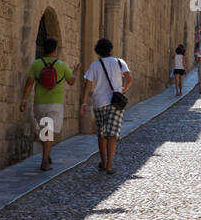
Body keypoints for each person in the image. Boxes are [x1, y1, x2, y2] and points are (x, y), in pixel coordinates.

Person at [19, 37, 74, 171]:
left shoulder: (36, 64)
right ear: (55, 49)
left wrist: (24, 100)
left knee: (45, 130)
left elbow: (29, 83)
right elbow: (71, 81)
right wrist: (75, 72)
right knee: (50, 131)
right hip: (55, 103)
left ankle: (46, 154)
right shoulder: (62, 65)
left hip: (39, 103)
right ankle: (45, 160)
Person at [79, 38, 131, 174]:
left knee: (102, 134)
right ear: (110, 49)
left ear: (98, 51)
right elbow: (129, 78)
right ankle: (109, 165)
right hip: (116, 103)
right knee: (112, 134)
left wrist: (84, 102)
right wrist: (122, 90)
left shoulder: (95, 65)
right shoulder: (120, 62)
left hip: (100, 103)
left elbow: (87, 85)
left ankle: (103, 162)